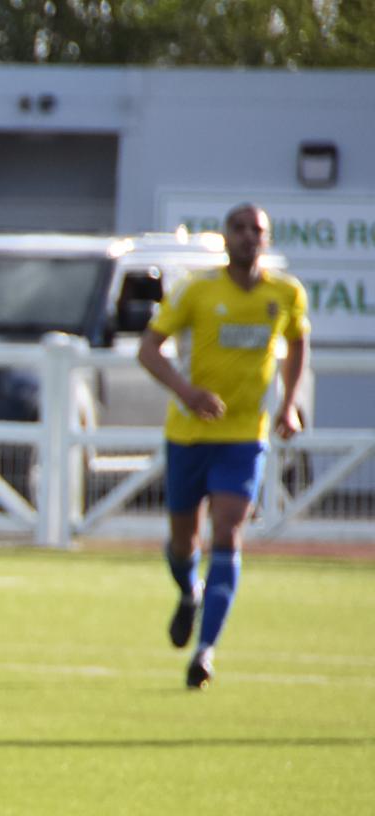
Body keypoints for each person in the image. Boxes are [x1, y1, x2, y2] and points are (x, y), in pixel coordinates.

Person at [136, 202, 310, 690]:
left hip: (242, 437)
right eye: (239, 228)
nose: (247, 237)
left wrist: (289, 403)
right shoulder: (198, 290)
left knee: (228, 534)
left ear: (267, 239)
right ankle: (189, 592)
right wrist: (187, 392)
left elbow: (297, 343)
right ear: (224, 236)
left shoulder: (286, 293)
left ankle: (205, 651)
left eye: (256, 230)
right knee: (181, 542)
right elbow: (148, 349)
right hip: (189, 435)